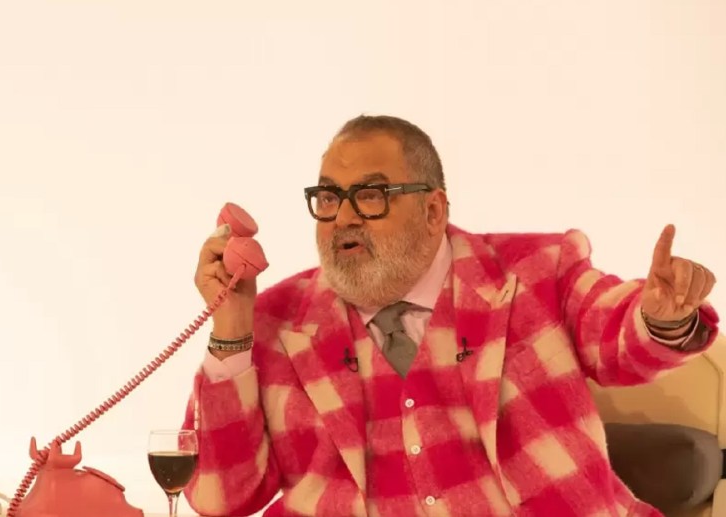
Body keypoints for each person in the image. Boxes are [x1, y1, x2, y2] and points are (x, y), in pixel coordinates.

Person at [181, 114, 720, 517]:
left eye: (370, 195)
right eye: (328, 198)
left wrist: (662, 318)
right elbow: (219, 498)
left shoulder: (537, 270)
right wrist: (231, 326)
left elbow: (618, 335)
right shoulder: (275, 321)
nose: (342, 217)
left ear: (434, 210)